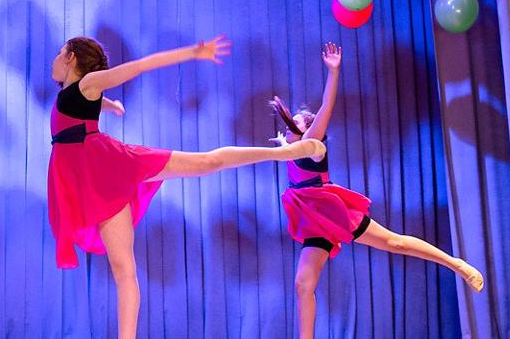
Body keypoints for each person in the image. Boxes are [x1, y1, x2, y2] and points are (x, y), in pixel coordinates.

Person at [48, 36, 326, 339]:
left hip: (108, 165)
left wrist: (193, 52)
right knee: (122, 268)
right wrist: (110, 104)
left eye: (59, 53)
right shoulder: (76, 93)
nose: (54, 60)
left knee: (206, 162)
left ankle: (285, 153)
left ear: (71, 57)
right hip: (92, 180)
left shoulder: (89, 83)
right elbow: (84, 102)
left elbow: (140, 66)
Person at [270, 42, 484, 339]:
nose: (291, 125)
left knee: (394, 243)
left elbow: (326, 108)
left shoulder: (312, 145)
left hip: (334, 213)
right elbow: (286, 147)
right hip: (314, 223)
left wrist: (333, 73)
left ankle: (456, 264)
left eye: (297, 122)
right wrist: (283, 143)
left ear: (308, 130)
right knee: (303, 284)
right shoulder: (290, 149)